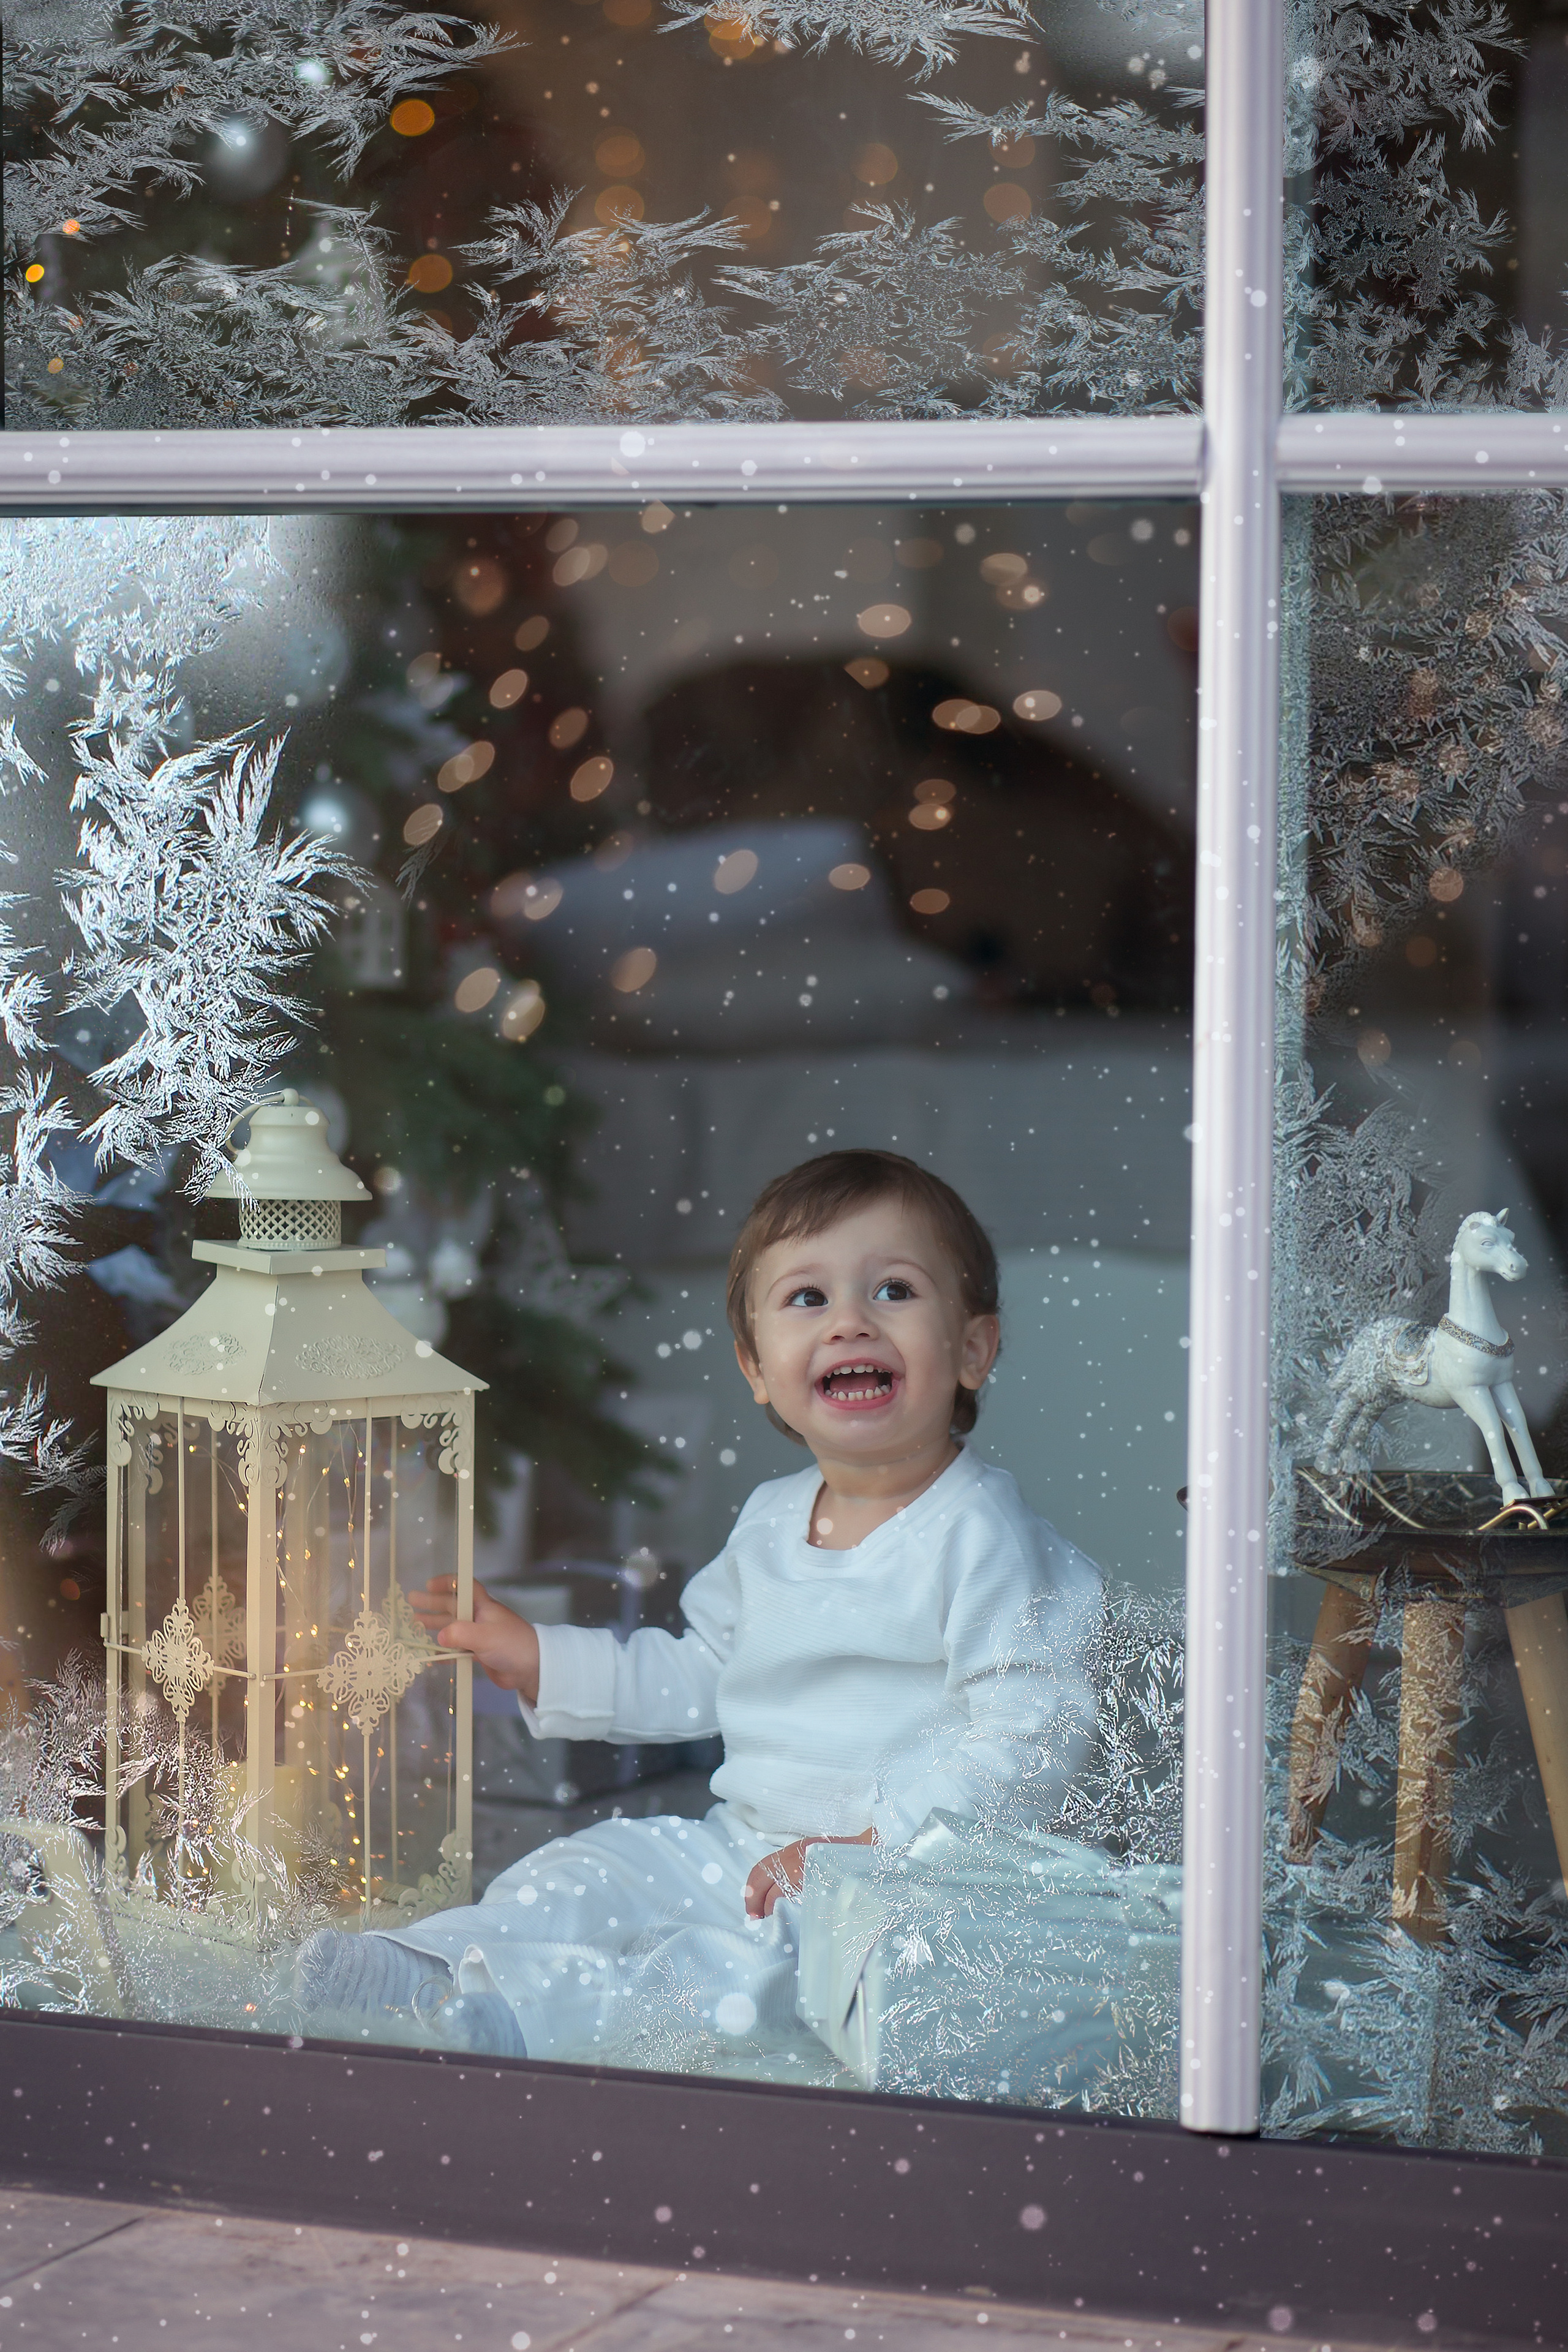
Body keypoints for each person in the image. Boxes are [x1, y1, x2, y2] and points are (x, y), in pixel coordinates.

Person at [295, 1150, 1102, 2059]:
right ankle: (428, 1969)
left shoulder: (984, 1536)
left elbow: (1030, 1734)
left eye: (895, 1291)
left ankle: (529, 2019)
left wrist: (870, 1849)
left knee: (731, 1976)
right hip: (742, 1846)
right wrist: (547, 1658)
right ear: (758, 1369)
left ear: (973, 1349)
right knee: (586, 1872)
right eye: (808, 1299)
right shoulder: (770, 1523)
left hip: (900, 1883)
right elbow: (702, 1671)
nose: (849, 1324)